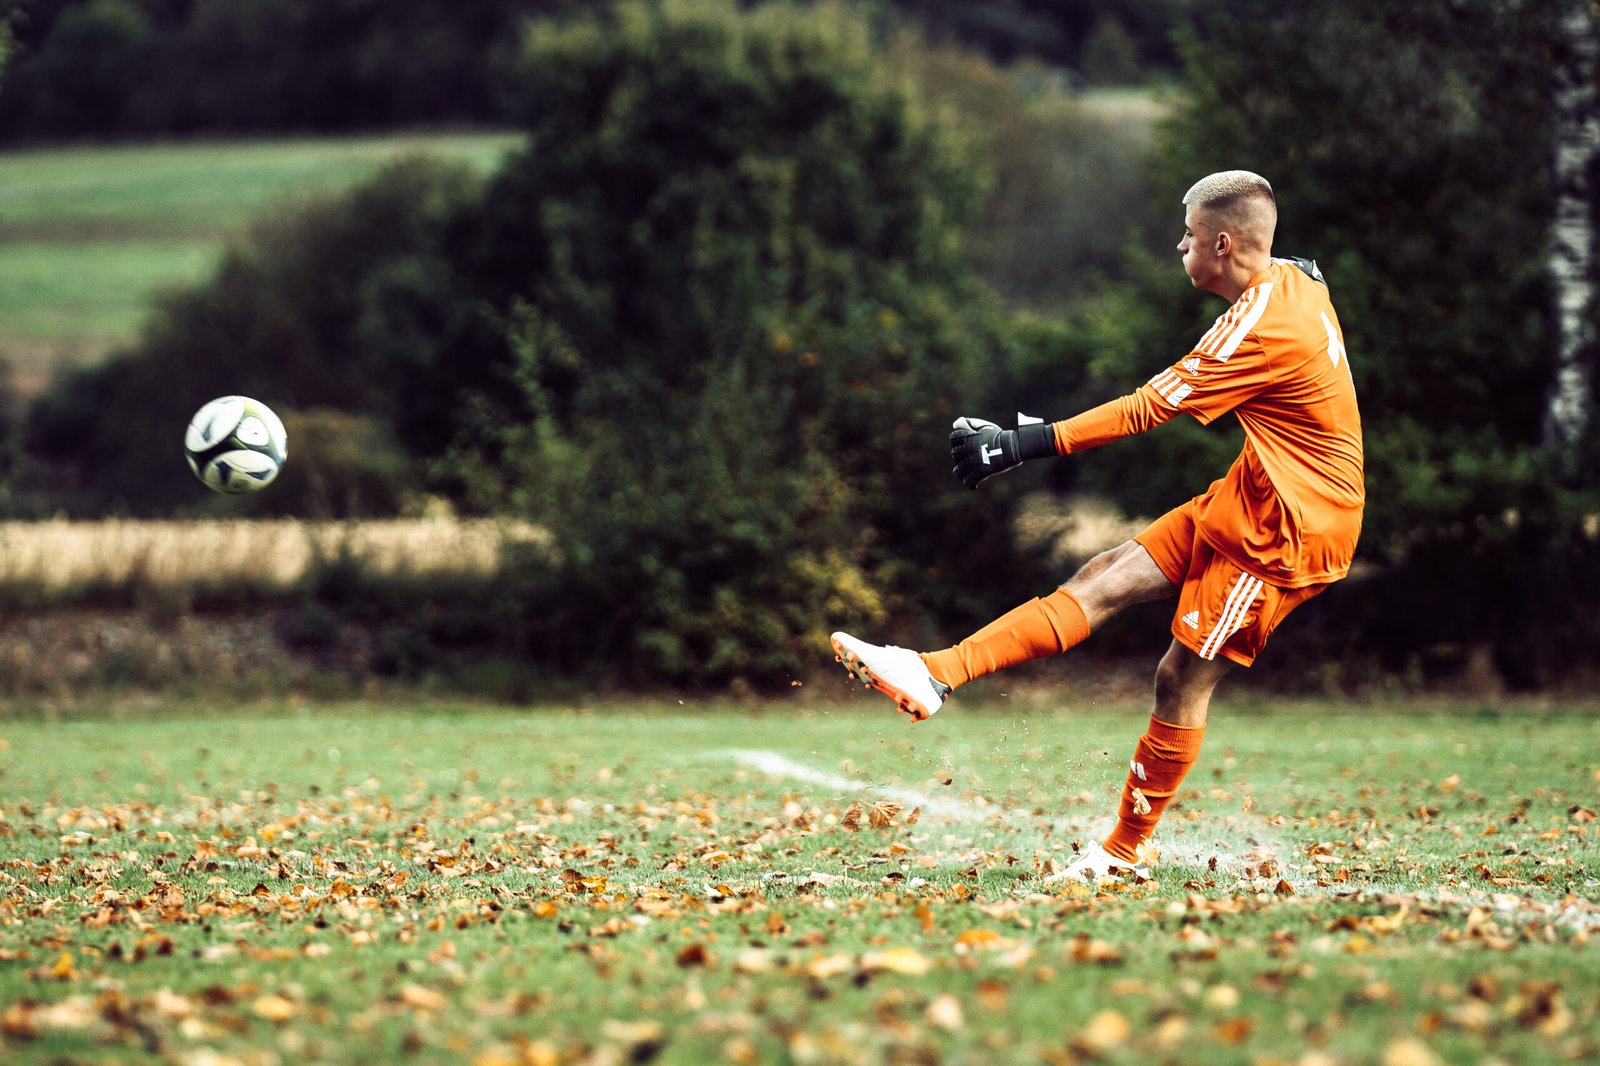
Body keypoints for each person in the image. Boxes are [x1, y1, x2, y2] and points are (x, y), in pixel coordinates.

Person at [831, 170, 1364, 883]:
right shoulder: (1291, 285)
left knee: (1179, 679)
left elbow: (1146, 409)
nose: (1180, 245)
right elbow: (1302, 273)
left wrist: (1021, 443)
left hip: (1291, 529)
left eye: (1190, 236)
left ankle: (1121, 854)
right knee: (1105, 575)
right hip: (1256, 492)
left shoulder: (1259, 326)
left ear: (1225, 244)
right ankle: (935, 673)